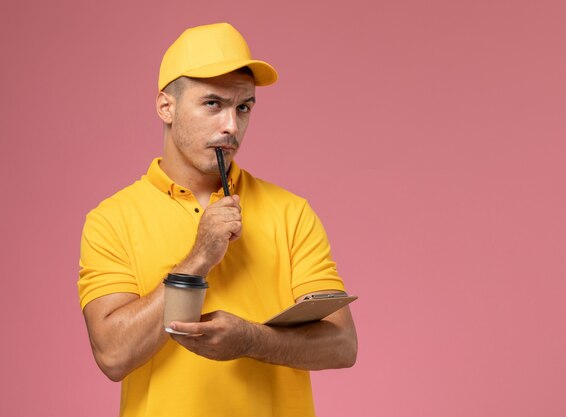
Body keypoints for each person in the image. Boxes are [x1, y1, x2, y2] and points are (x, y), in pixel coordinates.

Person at [78, 23, 357, 417]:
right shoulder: (112, 220)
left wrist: (251, 340)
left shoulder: (291, 212)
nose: (231, 126)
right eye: (212, 104)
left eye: (243, 107)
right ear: (166, 106)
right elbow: (112, 355)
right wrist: (198, 258)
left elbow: (342, 344)